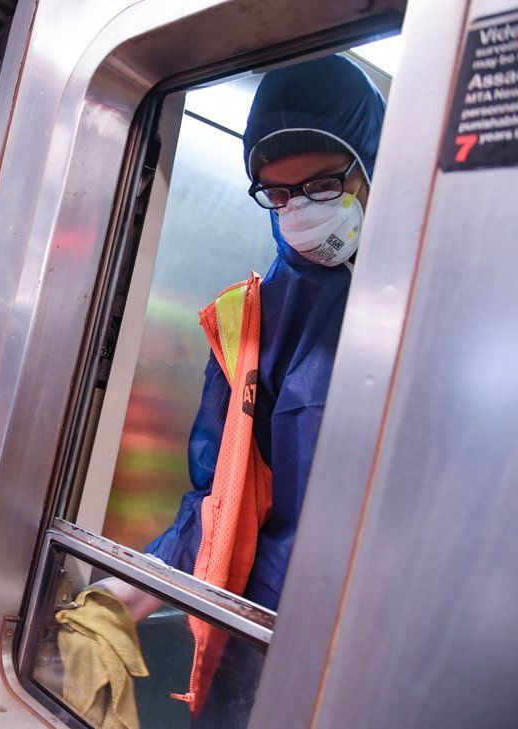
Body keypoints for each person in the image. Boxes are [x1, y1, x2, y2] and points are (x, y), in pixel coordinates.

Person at [69, 55, 387, 728]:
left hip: (399, 636)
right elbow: (220, 498)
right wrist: (120, 600)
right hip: (267, 627)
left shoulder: (455, 301)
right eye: (278, 194)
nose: (300, 211)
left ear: (376, 167)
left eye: (324, 184)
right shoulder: (250, 323)